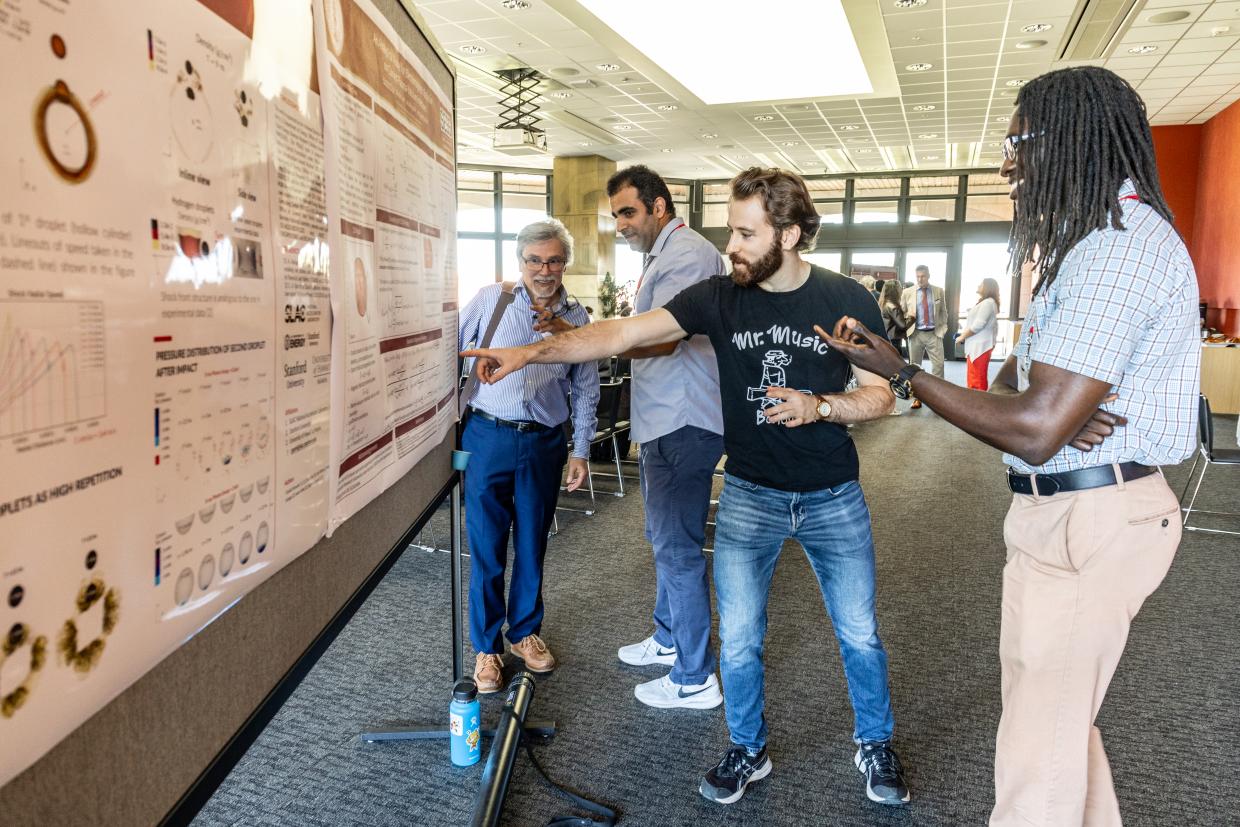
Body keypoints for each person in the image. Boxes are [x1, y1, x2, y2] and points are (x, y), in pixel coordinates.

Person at [463, 167, 911, 808]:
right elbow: (623, 333)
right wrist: (529, 354)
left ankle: (874, 742)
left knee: (859, 632)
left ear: (787, 234)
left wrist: (821, 406)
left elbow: (883, 396)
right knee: (744, 637)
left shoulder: (844, 299)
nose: (731, 244)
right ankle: (747, 747)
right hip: (749, 496)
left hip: (831, 496)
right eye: (731, 228)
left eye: (745, 232)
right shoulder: (720, 296)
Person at [822, 66, 1199, 826]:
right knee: (1054, 732)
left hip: (1096, 518)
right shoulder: (1090, 243)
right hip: (1058, 510)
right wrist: (1044, 411)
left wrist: (903, 373)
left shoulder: (1118, 250)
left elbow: (1035, 425)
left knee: (1038, 758)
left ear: (1066, 139)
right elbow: (1041, 413)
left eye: (1015, 141)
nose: (1006, 162)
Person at [456, 219, 599, 693]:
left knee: (533, 543)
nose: (544, 270)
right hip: (486, 437)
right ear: (521, 262)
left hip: (543, 441)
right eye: (535, 260)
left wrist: (580, 450)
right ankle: (486, 648)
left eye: (554, 260)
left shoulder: (578, 318)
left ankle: (523, 633)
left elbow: (586, 389)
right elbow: (449, 353)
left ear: (565, 264)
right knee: (486, 545)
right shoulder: (491, 300)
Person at [605, 165, 727, 710]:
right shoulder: (663, 255)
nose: (621, 226)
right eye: (615, 217)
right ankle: (669, 636)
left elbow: (663, 340)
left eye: (628, 212)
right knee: (664, 539)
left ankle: (695, 676)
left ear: (659, 207)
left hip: (684, 420)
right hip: (665, 419)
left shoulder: (689, 254)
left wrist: (593, 341)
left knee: (677, 547)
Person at [901, 265, 946, 407]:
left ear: (928, 275)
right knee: (915, 367)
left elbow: (943, 312)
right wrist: (908, 320)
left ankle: (938, 399)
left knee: (938, 366)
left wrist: (943, 329)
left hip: (934, 333)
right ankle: (917, 398)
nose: (920, 279)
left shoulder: (938, 291)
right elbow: (902, 312)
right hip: (916, 334)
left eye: (923, 276)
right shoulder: (907, 292)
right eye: (918, 276)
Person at [956, 278, 1001, 390]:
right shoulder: (986, 302)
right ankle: (974, 404)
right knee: (974, 379)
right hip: (977, 346)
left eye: (981, 284)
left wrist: (962, 337)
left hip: (980, 347)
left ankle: (980, 405)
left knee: (978, 380)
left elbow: (978, 325)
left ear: (987, 287)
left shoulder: (988, 303)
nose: (978, 285)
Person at [879, 280, 909, 360]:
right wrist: (912, 317)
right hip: (894, 339)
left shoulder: (884, 303)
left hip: (887, 338)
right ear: (895, 291)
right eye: (900, 288)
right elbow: (903, 325)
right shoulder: (892, 306)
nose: (901, 290)